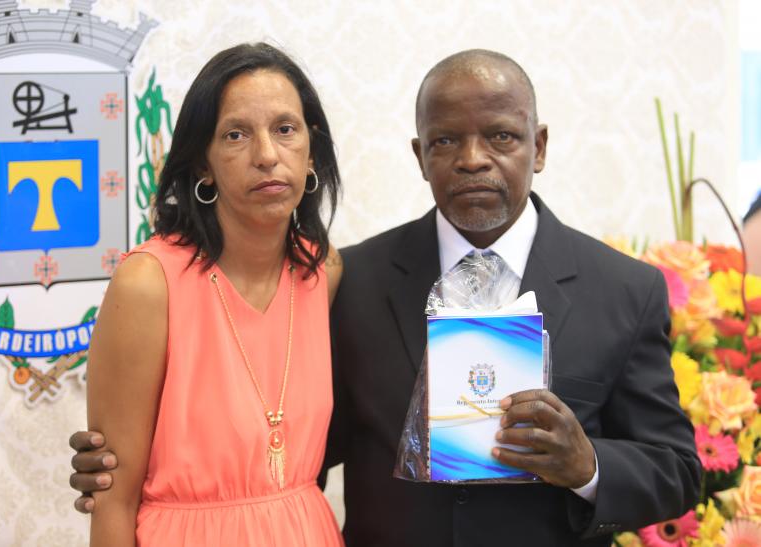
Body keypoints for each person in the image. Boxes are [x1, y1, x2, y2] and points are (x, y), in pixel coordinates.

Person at [71, 49, 700, 546]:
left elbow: (678, 470)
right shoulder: (351, 278)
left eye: (502, 137)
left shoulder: (625, 289)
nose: (473, 160)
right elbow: (298, 440)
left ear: (538, 147)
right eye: (446, 141)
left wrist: (588, 467)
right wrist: (126, 467)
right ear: (419, 155)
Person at [83, 42, 344, 547]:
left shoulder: (322, 271)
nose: (266, 155)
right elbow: (112, 498)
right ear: (203, 163)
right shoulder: (148, 283)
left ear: (311, 150)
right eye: (235, 135)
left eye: (285, 129)